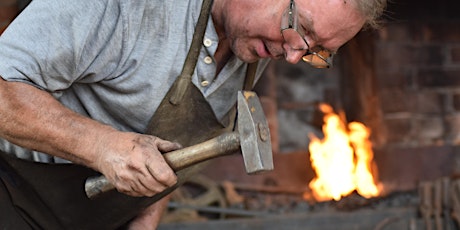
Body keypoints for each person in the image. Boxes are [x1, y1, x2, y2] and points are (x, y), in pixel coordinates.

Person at [0, 0, 386, 229]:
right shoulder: (131, 7)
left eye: (315, 50)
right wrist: (102, 146)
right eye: (299, 28)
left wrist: (143, 220)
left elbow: (173, 138)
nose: (292, 55)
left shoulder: (257, 44)